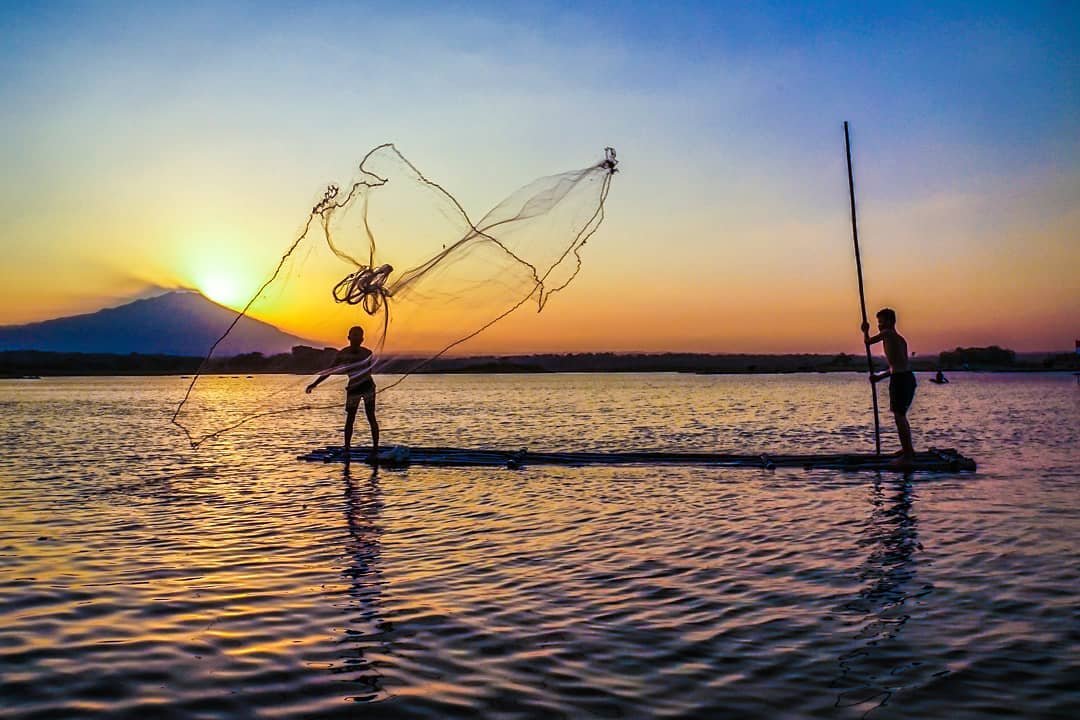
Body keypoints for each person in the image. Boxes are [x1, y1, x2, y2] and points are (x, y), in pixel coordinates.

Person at [307, 326, 379, 464]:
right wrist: (315, 384)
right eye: (354, 336)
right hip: (353, 388)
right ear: (349, 338)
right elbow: (330, 370)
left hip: (368, 387)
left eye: (359, 336)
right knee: (350, 417)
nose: (357, 338)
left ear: (362, 339)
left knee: (371, 416)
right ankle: (347, 447)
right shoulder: (343, 354)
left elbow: (369, 370)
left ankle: (375, 448)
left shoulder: (367, 353)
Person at [862, 308, 916, 467]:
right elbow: (896, 366)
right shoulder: (900, 339)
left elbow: (868, 342)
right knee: (901, 416)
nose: (879, 326)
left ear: (890, 322)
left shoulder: (889, 334)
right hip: (905, 378)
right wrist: (879, 377)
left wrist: (865, 331)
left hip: (901, 380)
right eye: (878, 323)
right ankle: (908, 450)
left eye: (881, 322)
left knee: (899, 417)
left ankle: (908, 456)